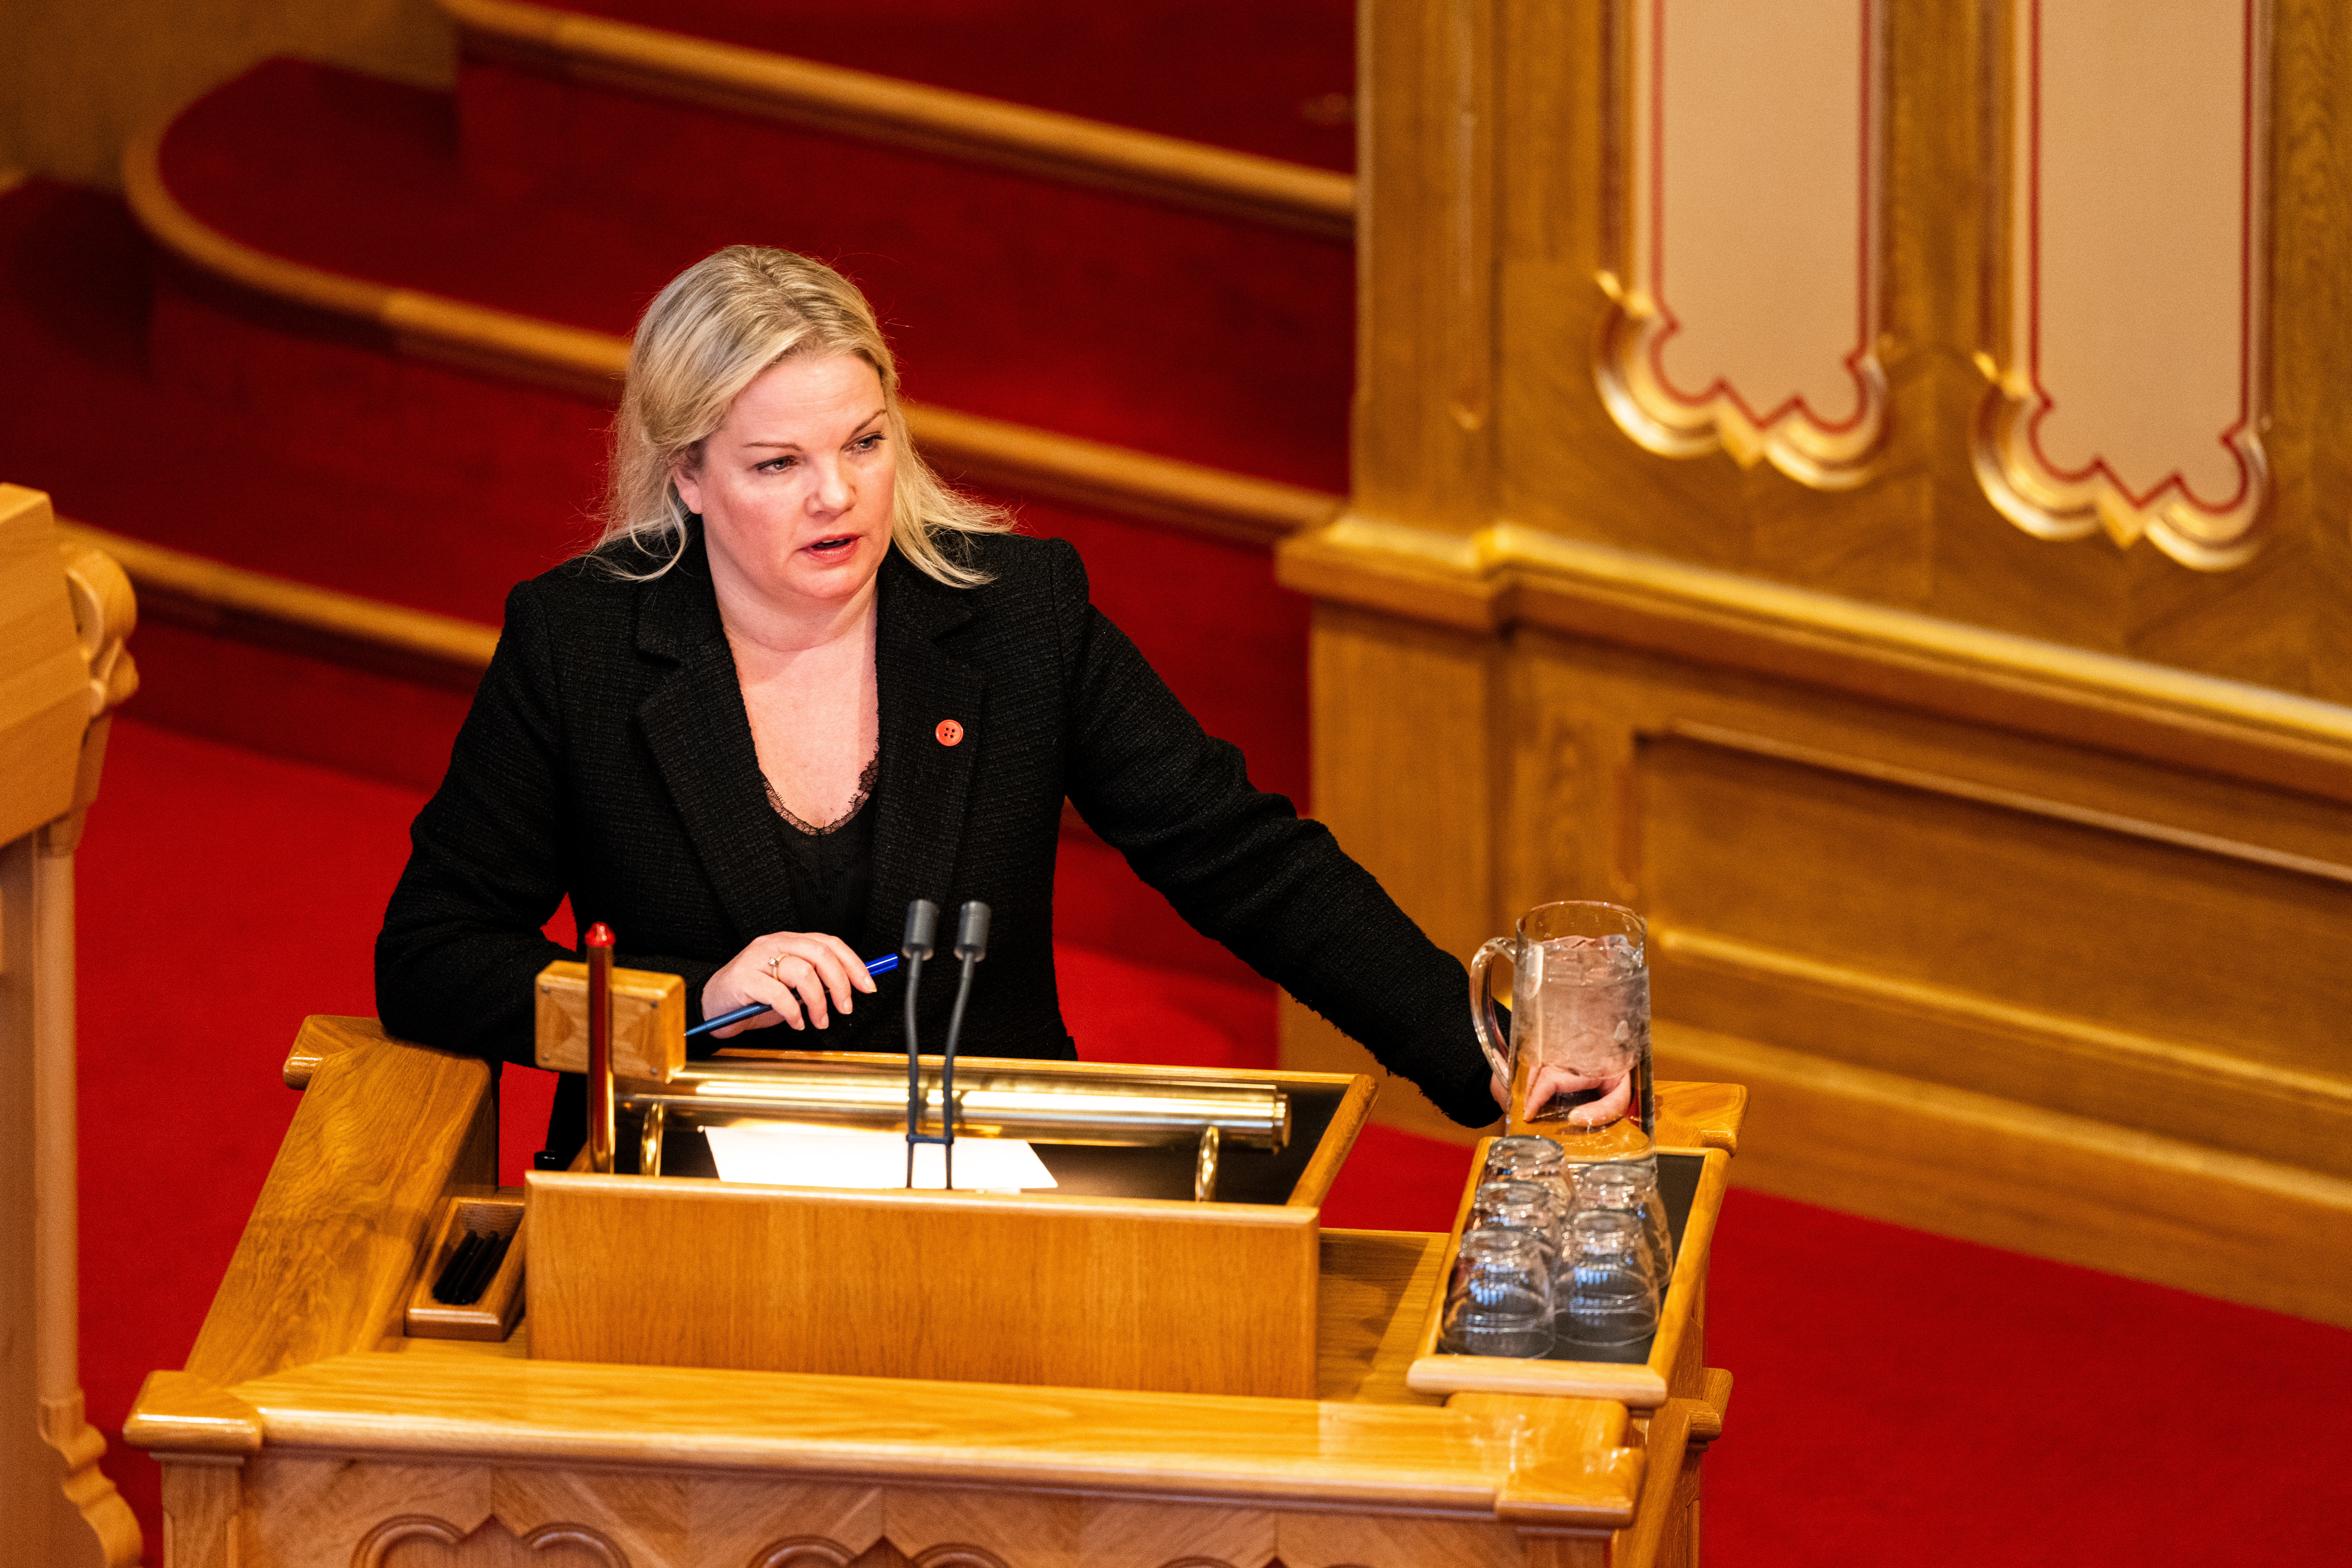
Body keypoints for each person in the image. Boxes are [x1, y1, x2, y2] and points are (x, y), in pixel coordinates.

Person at [375, 244, 1499, 1158]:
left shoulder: (1017, 615)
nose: (837, 494)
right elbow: (432, 957)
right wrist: (684, 1000)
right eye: (777, 465)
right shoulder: (578, 644)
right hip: (682, 1168)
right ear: (688, 476)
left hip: (986, 1166)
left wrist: (1487, 1052)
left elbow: (1243, 858)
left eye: (864, 442)